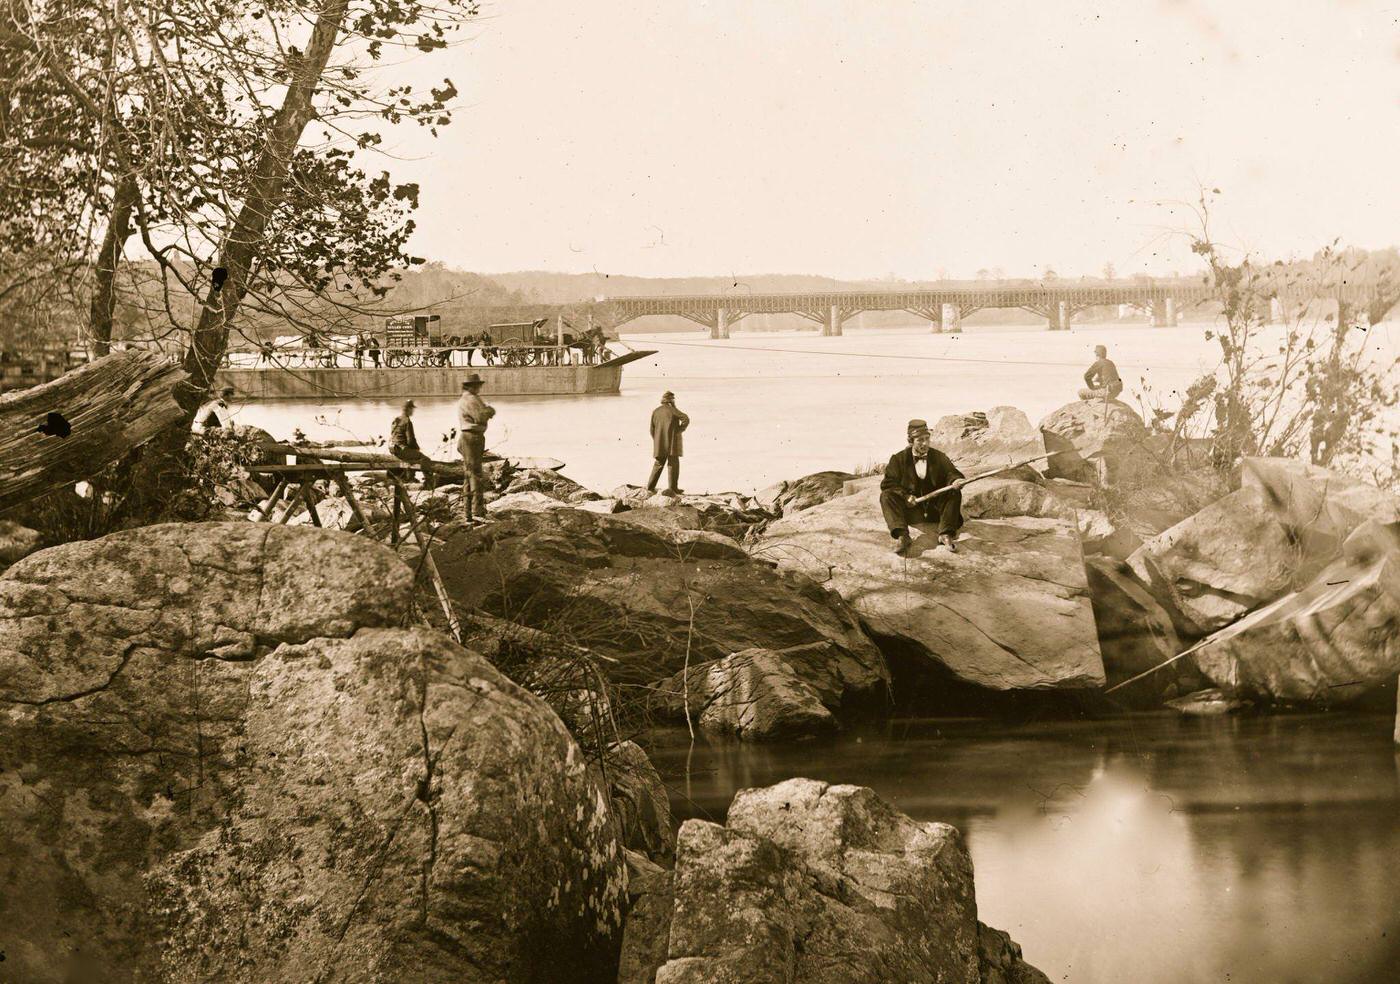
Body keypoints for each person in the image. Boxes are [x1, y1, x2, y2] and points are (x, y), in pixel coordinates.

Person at [879, 418, 966, 556]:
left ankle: (945, 534)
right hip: (911, 513)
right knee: (886, 496)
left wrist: (955, 480)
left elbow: (952, 473)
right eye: (920, 440)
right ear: (910, 441)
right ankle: (903, 536)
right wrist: (905, 496)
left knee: (953, 492)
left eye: (927, 439)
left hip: (935, 511)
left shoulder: (939, 457)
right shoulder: (898, 459)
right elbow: (888, 483)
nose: (925, 443)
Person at [456, 373, 496, 522]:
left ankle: (468, 511)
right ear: (472, 386)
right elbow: (480, 417)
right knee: (475, 475)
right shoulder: (471, 399)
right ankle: (477, 511)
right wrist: (490, 411)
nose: (479, 387)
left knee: (469, 474)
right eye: (478, 385)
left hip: (468, 437)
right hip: (471, 437)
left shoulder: (467, 398)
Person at [646, 391, 690, 496]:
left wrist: (657, 440)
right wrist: (679, 430)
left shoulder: (655, 411)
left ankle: (650, 487)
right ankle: (673, 488)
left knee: (658, 464)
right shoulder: (672, 410)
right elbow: (686, 418)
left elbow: (652, 429)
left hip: (659, 443)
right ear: (671, 401)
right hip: (672, 443)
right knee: (673, 464)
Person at [388, 399, 436, 491]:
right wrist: (417, 449)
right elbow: (411, 440)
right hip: (402, 450)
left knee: (413, 456)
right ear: (408, 409)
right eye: (412, 409)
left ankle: (410, 478)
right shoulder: (407, 421)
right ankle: (429, 484)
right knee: (425, 459)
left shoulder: (396, 419)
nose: (413, 411)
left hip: (394, 450)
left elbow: (393, 435)